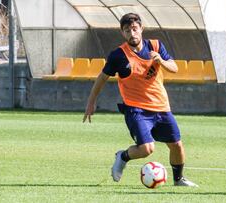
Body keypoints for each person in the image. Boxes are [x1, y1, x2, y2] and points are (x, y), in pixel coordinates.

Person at [83, 13, 198, 187]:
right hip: (136, 109)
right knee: (146, 149)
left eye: (135, 29)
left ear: (141, 29)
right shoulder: (118, 55)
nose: (132, 33)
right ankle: (122, 156)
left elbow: (174, 68)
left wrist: (161, 61)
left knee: (176, 145)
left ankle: (178, 179)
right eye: (127, 30)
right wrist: (91, 102)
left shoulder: (156, 45)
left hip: (161, 107)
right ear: (123, 33)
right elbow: (102, 78)